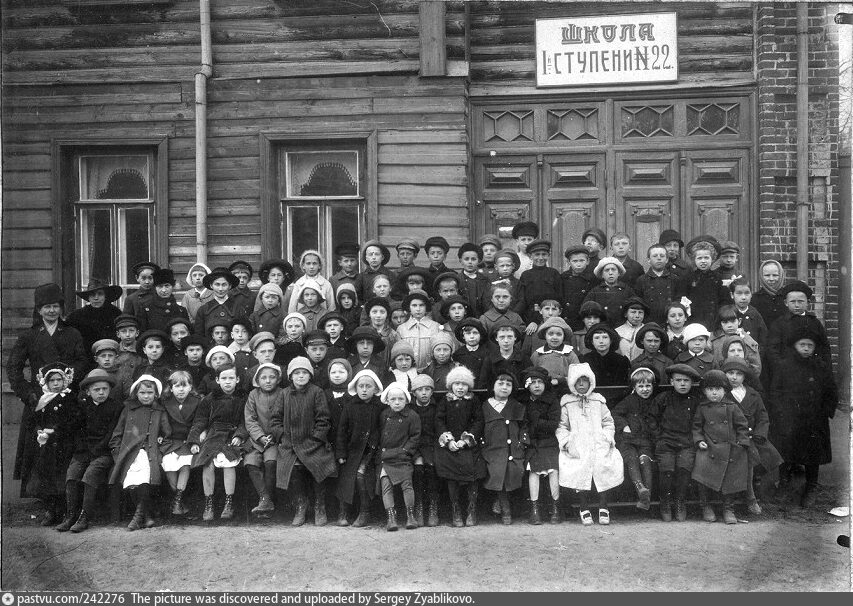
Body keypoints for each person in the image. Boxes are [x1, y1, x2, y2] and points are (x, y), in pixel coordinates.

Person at [8, 283, 88, 497]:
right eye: (46, 307)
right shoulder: (30, 336)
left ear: (61, 308)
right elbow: (14, 368)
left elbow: (82, 361)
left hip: (66, 399)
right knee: (40, 450)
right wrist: (28, 394)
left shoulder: (71, 333)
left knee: (65, 448)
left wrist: (67, 380)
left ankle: (66, 500)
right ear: (39, 309)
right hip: (39, 402)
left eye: (55, 306)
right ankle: (45, 503)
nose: (51, 311)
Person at [769, 328, 838, 507]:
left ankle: (811, 487)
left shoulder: (820, 366)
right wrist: (780, 413)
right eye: (802, 345)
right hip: (790, 418)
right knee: (786, 452)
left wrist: (826, 412)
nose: (806, 348)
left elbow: (831, 391)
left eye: (810, 345)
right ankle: (784, 484)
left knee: (813, 455)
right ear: (795, 346)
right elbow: (776, 391)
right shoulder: (784, 366)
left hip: (814, 419)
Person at [271, 357, 337, 526]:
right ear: (290, 376)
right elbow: (275, 420)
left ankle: (319, 505)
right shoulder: (284, 394)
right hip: (290, 444)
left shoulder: (317, 392)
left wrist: (316, 439)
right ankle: (301, 505)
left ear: (310, 375)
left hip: (313, 442)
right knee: (292, 467)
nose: (300, 376)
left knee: (318, 464)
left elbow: (324, 420)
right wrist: (283, 437)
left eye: (304, 373)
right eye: (296, 373)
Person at [556, 362, 624, 526]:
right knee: (579, 467)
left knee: (605, 464)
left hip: (598, 442)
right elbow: (562, 426)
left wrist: (607, 437)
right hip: (577, 444)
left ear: (591, 382)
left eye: (585, 381)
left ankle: (603, 505)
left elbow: (608, 422)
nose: (581, 385)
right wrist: (566, 442)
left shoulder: (598, 401)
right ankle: (583, 506)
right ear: (572, 383)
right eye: (578, 381)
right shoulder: (567, 403)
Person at [57, 368, 122, 533]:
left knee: (90, 475)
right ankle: (70, 515)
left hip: (105, 452)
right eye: (96, 390)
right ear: (88, 391)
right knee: (72, 475)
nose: (101, 393)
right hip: (84, 451)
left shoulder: (116, 407)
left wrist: (99, 448)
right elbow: (77, 431)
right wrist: (83, 449)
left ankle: (84, 517)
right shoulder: (82, 406)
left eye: (104, 389)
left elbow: (112, 433)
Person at [108, 374, 172, 531]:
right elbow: (117, 435)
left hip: (150, 452)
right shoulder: (128, 409)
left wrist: (160, 446)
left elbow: (168, 435)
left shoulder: (159, 411)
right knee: (131, 479)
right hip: (129, 452)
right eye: (142, 393)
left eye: (150, 393)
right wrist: (118, 455)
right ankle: (147, 515)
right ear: (136, 393)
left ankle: (137, 518)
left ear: (156, 394)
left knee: (144, 477)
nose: (146, 396)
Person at [19, 362, 78, 526]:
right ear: (46, 382)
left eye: (59, 380)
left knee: (61, 479)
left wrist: (55, 430)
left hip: (63, 445)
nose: (56, 383)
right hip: (45, 446)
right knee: (45, 480)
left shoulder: (69, 398)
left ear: (64, 380)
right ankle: (50, 511)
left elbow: (73, 421)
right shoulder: (42, 400)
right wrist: (39, 430)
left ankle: (63, 511)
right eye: (52, 380)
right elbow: (32, 421)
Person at [722, 357, 783, 515]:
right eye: (730, 373)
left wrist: (759, 434)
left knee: (759, 455)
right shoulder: (722, 394)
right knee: (745, 456)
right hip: (731, 438)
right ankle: (750, 498)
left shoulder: (753, 394)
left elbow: (763, 418)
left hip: (752, 437)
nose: (734, 377)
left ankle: (751, 494)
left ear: (745, 377)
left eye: (738, 374)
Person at [188, 364, 249, 522]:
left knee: (229, 462)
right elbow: (200, 420)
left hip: (231, 435)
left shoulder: (243, 398)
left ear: (237, 379)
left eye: (231, 378)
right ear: (217, 380)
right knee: (207, 463)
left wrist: (240, 435)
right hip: (213, 435)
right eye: (224, 378)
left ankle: (229, 503)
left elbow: (245, 421)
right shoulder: (210, 398)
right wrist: (194, 439)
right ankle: (209, 503)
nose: (227, 382)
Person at [691, 370, 751, 524]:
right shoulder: (702, 407)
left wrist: (742, 442)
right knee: (702, 468)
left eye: (718, 389)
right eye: (710, 390)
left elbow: (742, 425)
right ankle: (705, 506)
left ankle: (728, 508)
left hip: (730, 446)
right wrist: (699, 440)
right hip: (709, 446)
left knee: (731, 473)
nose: (714, 393)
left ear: (725, 390)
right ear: (705, 391)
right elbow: (696, 427)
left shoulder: (732, 407)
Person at [650, 364, 702, 522]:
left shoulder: (695, 401)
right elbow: (652, 419)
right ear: (671, 382)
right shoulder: (663, 398)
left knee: (684, 469)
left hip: (686, 443)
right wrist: (659, 437)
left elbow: (699, 422)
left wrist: (693, 439)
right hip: (666, 443)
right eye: (678, 380)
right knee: (667, 470)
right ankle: (665, 502)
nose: (683, 384)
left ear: (691, 383)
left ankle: (680, 501)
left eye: (686, 380)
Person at [435, 366, 484, 527]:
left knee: (473, 475)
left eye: (464, 384)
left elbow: (478, 421)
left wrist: (466, 440)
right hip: (450, 446)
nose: (460, 388)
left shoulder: (474, 401)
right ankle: (455, 510)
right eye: (457, 384)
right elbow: (439, 421)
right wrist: (449, 440)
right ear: (451, 386)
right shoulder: (445, 401)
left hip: (468, 445)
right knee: (452, 476)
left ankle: (472, 509)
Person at [336, 369, 384, 527]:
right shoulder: (350, 406)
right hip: (352, 451)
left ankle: (365, 512)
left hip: (371, 452)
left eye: (368, 386)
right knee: (345, 475)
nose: (364, 389)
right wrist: (341, 452)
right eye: (361, 386)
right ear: (355, 388)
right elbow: (342, 431)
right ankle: (343, 512)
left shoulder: (379, 407)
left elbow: (381, 431)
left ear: (375, 389)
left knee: (361, 475)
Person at [480, 371, 528, 525]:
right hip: (491, 450)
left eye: (508, 384)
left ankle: (502, 502)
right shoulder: (485, 406)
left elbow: (524, 427)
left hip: (513, 450)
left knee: (513, 470)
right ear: (492, 387)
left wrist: (522, 442)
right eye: (500, 384)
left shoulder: (517, 406)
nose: (504, 387)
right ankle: (505, 508)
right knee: (496, 470)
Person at [376, 382, 422, 531]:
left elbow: (415, 436)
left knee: (407, 484)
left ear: (406, 400)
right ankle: (391, 517)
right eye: (393, 399)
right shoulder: (384, 415)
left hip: (403, 456)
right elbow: (380, 435)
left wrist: (405, 451)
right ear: (387, 400)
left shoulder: (412, 416)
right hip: (386, 456)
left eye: (400, 399)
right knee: (386, 485)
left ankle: (410, 516)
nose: (396, 402)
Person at [612, 368, 657, 512]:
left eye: (648, 386)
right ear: (634, 387)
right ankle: (640, 488)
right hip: (628, 439)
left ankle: (645, 494)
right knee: (631, 458)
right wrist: (624, 426)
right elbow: (615, 414)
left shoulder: (655, 402)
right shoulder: (629, 401)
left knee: (645, 460)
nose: (645, 390)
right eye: (641, 386)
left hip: (645, 440)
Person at [520, 366, 561, 525]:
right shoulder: (524, 401)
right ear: (527, 385)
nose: (537, 386)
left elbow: (553, 424)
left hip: (549, 441)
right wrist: (533, 428)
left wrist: (535, 422)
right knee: (534, 471)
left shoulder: (552, 400)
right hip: (532, 443)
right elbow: (523, 424)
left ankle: (555, 506)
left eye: (540, 382)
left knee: (553, 469)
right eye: (533, 383)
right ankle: (534, 508)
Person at [765, 280, 832, 378]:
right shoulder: (779, 324)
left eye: (800, 301)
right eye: (792, 301)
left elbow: (824, 349)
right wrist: (782, 368)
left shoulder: (814, 323)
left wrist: (820, 367)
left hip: (812, 373)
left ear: (807, 303)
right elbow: (773, 350)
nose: (796, 305)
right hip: (787, 374)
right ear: (786, 303)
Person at [241, 362, 281, 519]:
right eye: (263, 377)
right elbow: (250, 420)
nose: (268, 380)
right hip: (257, 441)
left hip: (275, 440)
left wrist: (273, 434)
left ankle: (267, 501)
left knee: (271, 462)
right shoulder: (253, 395)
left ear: (278, 379)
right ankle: (265, 498)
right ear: (257, 380)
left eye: (272, 377)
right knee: (251, 462)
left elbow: (284, 417)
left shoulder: (283, 393)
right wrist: (260, 436)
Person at [159, 370, 201, 517]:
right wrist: (160, 436)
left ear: (191, 387)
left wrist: (194, 440)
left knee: (185, 464)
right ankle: (179, 499)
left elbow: (199, 423)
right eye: (177, 386)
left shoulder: (197, 402)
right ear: (171, 388)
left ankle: (177, 500)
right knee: (168, 463)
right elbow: (161, 423)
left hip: (188, 440)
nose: (181, 390)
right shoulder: (165, 403)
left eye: (185, 386)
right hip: (171, 440)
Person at [324, 358, 353, 526]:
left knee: (344, 474)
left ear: (349, 374)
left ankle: (344, 511)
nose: (337, 375)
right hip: (328, 441)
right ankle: (326, 510)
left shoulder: (352, 394)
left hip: (346, 443)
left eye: (341, 372)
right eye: (333, 372)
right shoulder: (324, 394)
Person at [410, 374, 439, 527]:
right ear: (414, 392)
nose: (424, 393)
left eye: (427, 389)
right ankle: (418, 506)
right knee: (418, 469)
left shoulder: (436, 407)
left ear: (432, 392)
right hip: (414, 446)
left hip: (432, 445)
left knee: (431, 468)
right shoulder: (410, 408)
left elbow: (438, 429)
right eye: (420, 390)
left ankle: (433, 507)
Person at [67, 277, 124, 355]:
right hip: (85, 358)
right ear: (88, 297)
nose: (96, 298)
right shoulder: (76, 316)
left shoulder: (116, 314)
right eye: (92, 294)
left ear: (105, 296)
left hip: (110, 356)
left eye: (100, 294)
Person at [580, 323, 630, 408]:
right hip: (590, 403)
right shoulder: (584, 361)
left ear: (611, 340)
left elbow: (624, 388)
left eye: (605, 337)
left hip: (616, 403)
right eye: (597, 338)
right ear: (592, 341)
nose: (601, 341)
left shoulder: (622, 361)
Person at [682, 236, 728, 330]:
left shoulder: (718, 278)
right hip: (694, 321)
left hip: (713, 322)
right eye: (699, 258)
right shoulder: (688, 278)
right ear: (694, 260)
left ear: (713, 259)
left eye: (706, 258)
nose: (703, 261)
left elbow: (724, 302)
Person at [514, 239, 562, 328]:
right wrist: (532, 321)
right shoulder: (526, 275)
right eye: (537, 254)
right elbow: (523, 300)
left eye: (544, 254)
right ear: (530, 256)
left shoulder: (554, 273)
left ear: (548, 255)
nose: (540, 258)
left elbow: (559, 297)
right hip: (530, 318)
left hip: (551, 316)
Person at [634, 243, 685, 325]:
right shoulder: (641, 280)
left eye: (662, 256)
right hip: (648, 323)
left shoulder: (675, 279)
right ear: (648, 260)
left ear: (667, 259)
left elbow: (679, 301)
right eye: (655, 256)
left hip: (670, 323)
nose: (659, 258)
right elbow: (638, 304)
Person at [582, 257, 636, 327]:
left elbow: (634, 309)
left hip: (623, 329)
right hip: (601, 329)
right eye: (607, 270)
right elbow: (585, 311)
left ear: (619, 273)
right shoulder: (595, 292)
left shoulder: (627, 290)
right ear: (602, 274)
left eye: (613, 270)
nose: (610, 273)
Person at [397, 289, 441, 371]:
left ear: (426, 307)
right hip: (408, 371)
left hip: (430, 371)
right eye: (414, 305)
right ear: (409, 307)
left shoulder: (435, 327)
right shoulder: (402, 329)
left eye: (421, 305)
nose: (418, 309)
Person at [528, 316, 579, 389]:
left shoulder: (569, 354)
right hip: (543, 390)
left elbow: (578, 375)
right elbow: (530, 374)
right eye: (550, 334)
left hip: (565, 389)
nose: (554, 337)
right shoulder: (538, 354)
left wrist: (560, 381)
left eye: (559, 334)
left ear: (564, 336)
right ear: (545, 335)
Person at [193, 267, 241, 338]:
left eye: (224, 285)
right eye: (217, 284)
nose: (220, 289)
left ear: (230, 286)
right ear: (211, 285)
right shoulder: (203, 310)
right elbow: (199, 335)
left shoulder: (238, 309)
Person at [138, 268, 190, 333]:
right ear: (155, 288)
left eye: (167, 286)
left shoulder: (181, 311)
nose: (164, 290)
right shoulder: (146, 309)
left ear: (172, 286)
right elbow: (142, 332)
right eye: (160, 286)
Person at [478, 324, 529, 390]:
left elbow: (528, 383)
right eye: (502, 337)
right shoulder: (489, 360)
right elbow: (483, 384)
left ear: (515, 338)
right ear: (496, 338)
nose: (506, 341)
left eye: (510, 337)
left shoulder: (524, 358)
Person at [560, 245, 595, 331]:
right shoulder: (563, 278)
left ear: (587, 261)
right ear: (568, 262)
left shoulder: (593, 279)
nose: (578, 264)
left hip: (583, 323)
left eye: (582, 260)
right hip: (566, 321)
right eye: (575, 261)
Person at [457, 243, 491, 318]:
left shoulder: (485, 280)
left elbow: (487, 303)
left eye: (473, 259)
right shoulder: (457, 280)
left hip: (482, 318)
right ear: (460, 261)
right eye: (466, 259)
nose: (470, 262)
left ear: (479, 261)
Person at [752, 259, 787, 328]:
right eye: (767, 275)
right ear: (761, 276)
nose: (771, 279)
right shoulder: (754, 299)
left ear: (781, 275)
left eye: (775, 275)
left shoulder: (788, 296)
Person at [615, 297, 649, 361]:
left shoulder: (648, 331)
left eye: (640, 312)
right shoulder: (617, 332)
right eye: (633, 312)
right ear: (625, 314)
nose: (637, 316)